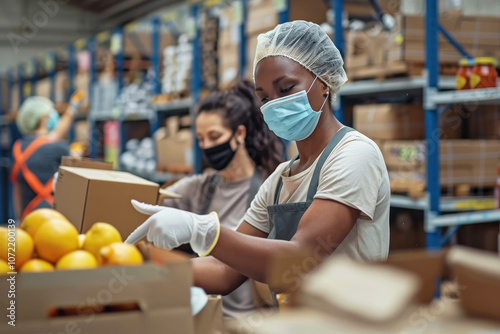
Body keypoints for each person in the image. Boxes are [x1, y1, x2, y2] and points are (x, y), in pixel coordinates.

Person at [126, 21, 390, 302]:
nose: (274, 103)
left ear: (324, 82)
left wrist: (201, 230)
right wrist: (141, 268)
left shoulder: (354, 154)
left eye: (286, 89)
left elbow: (302, 259)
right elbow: (224, 271)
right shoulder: (278, 180)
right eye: (264, 96)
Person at [153, 81, 284, 317]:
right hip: (205, 318)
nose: (207, 146)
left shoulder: (270, 188)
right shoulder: (197, 188)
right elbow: (148, 205)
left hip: (249, 323)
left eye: (214, 136)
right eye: (201, 139)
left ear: (239, 133)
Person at [11, 92, 84, 220]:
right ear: (45, 118)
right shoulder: (58, 147)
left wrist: (18, 222)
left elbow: (16, 191)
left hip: (27, 219)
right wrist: (77, 156)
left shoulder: (17, 147)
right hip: (53, 223)